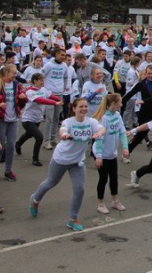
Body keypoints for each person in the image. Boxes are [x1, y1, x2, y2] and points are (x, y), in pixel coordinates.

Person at [29, 98, 105, 232]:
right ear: (74, 109)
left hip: (77, 161)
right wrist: (64, 135)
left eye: (86, 106)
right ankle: (35, 199)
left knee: (79, 189)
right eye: (81, 107)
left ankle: (73, 219)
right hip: (62, 159)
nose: (84, 109)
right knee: (51, 182)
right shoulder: (68, 122)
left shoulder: (91, 122)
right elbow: (62, 130)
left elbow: (102, 128)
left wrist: (99, 133)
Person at [92, 93, 129, 214]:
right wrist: (98, 156)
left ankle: (115, 201)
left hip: (112, 153)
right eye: (120, 102)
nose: (121, 104)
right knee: (103, 178)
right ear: (113, 103)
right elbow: (99, 138)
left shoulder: (117, 115)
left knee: (114, 178)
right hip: (101, 154)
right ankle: (100, 203)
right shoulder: (103, 118)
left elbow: (122, 132)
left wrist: (125, 147)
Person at [0, 64, 23, 180]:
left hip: (14, 119)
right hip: (0, 120)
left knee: (11, 146)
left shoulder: (17, 85)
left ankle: (8, 171)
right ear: (6, 73)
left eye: (16, 73)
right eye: (13, 73)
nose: (15, 75)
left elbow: (21, 101)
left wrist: (24, 98)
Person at [16, 73, 62, 166]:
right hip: (27, 120)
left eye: (43, 80)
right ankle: (35, 159)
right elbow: (39, 100)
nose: (42, 82)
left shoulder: (43, 90)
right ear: (35, 81)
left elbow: (50, 95)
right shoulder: (29, 92)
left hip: (37, 119)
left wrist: (59, 100)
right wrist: (54, 103)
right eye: (40, 80)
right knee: (39, 137)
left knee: (28, 135)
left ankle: (18, 144)